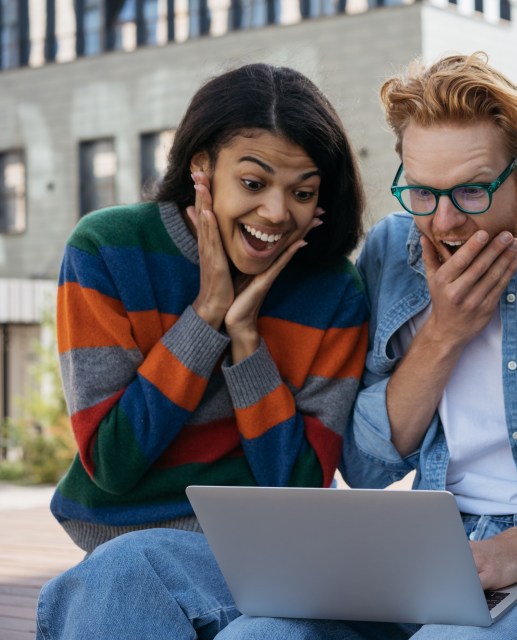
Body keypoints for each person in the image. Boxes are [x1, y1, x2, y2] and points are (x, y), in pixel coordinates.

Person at [215, 53, 517, 640]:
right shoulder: (390, 253)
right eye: (422, 192)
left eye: (472, 191)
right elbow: (366, 469)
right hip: (427, 552)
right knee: (257, 634)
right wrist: (443, 335)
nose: (444, 222)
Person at [35, 63, 368, 638]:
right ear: (201, 168)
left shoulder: (333, 291)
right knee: (123, 573)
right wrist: (206, 316)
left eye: (303, 192)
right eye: (254, 183)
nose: (276, 213)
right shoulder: (108, 249)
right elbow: (113, 463)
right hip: (128, 544)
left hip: (270, 557)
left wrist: (246, 344)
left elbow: (298, 493)